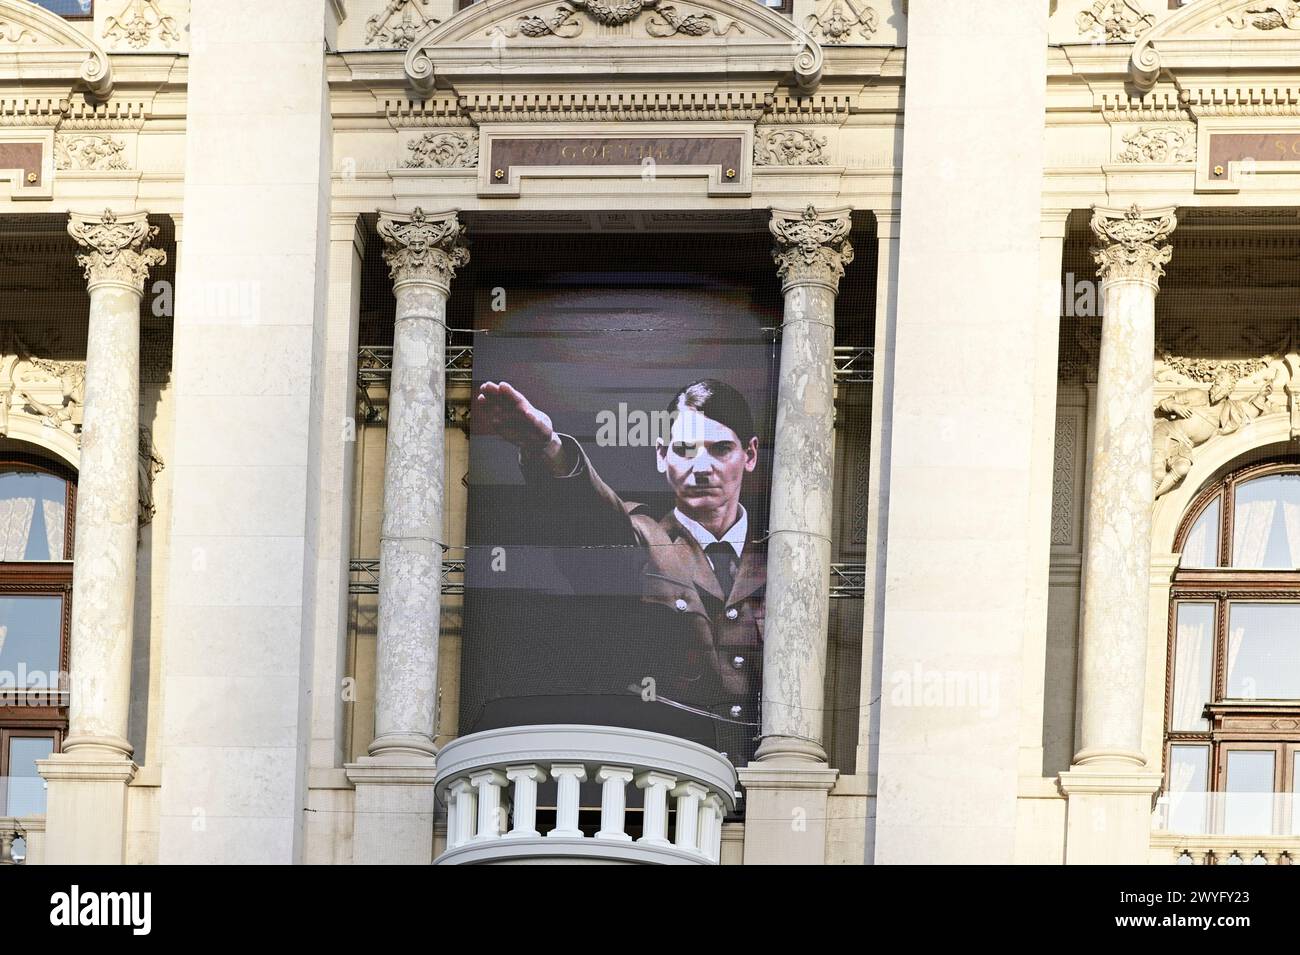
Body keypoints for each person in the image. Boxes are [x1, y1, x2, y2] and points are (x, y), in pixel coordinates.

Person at [475, 378, 765, 765]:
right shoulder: (642, 536)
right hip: (665, 776)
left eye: (721, 449)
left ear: (749, 454)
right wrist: (545, 447)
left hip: (759, 784)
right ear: (662, 455)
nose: (701, 467)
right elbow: (592, 516)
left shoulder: (782, 557)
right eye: (684, 450)